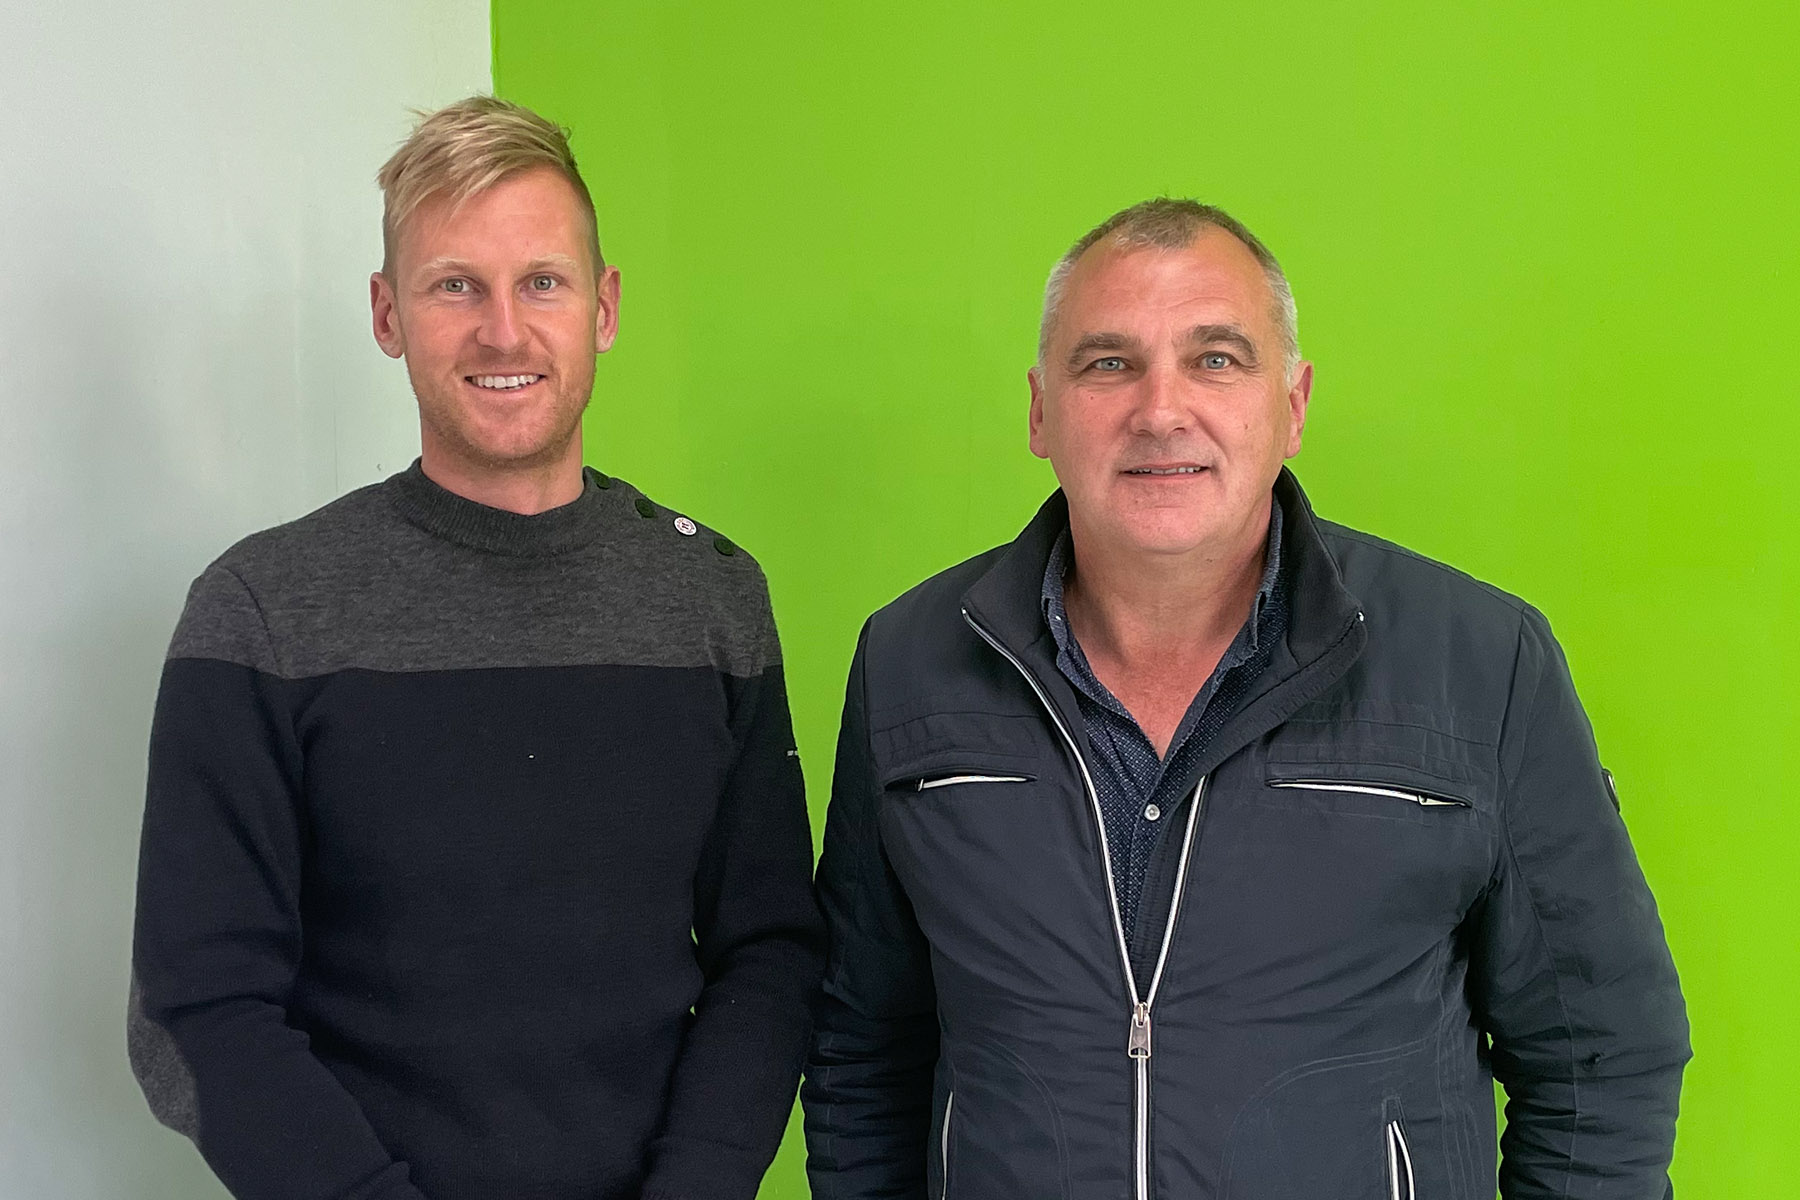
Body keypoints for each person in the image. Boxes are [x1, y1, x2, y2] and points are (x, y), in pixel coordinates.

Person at [802, 198, 1688, 1199]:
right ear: (1041, 412)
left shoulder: (1483, 662)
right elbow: (860, 1049)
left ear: (1293, 406)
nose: (1160, 410)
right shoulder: (910, 662)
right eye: (1109, 363)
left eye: (1216, 359)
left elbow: (1601, 1053)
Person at [129, 96, 823, 1200]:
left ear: (603, 307)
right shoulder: (262, 611)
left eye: (541, 282)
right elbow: (197, 1008)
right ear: (387, 313)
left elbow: (772, 952)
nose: (504, 331)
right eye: (455, 285)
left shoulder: (712, 598)